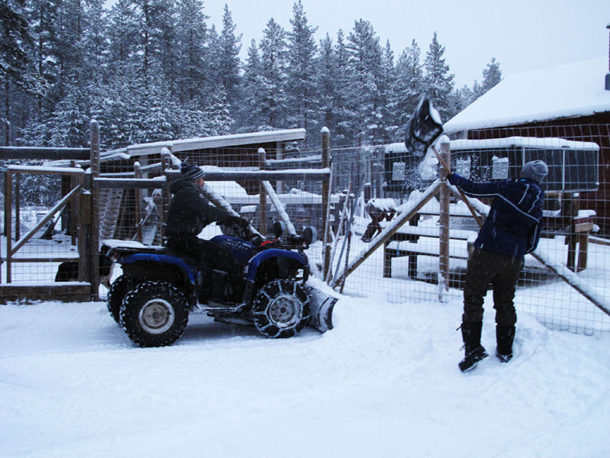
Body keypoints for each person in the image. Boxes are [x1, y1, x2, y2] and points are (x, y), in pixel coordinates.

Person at [447, 160, 548, 372]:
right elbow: (533, 241)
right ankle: (505, 349)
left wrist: (455, 179)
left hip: (487, 251)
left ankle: (473, 348)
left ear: (523, 172)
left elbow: (474, 189)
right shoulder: (538, 201)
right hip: (513, 259)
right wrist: (515, 248)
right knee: (505, 301)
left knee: (474, 296)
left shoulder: (507, 187)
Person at [165, 162, 249, 305]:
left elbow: (196, 214)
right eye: (202, 179)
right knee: (223, 254)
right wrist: (231, 219)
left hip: (179, 239)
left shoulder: (185, 192)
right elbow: (207, 210)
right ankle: (216, 298)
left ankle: (207, 291)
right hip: (183, 240)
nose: (203, 182)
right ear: (196, 180)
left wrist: (208, 220)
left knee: (212, 251)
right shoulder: (188, 192)